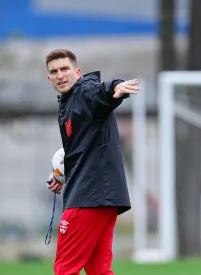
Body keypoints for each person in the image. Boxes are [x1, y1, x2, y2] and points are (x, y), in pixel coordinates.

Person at [45, 49, 139, 275]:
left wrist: (115, 87)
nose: (60, 75)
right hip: (104, 198)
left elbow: (100, 91)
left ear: (78, 72)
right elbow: (82, 149)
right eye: (54, 71)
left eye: (65, 69)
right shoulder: (68, 104)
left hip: (88, 197)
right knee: (99, 271)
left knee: (64, 270)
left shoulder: (84, 93)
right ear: (49, 78)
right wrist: (61, 174)